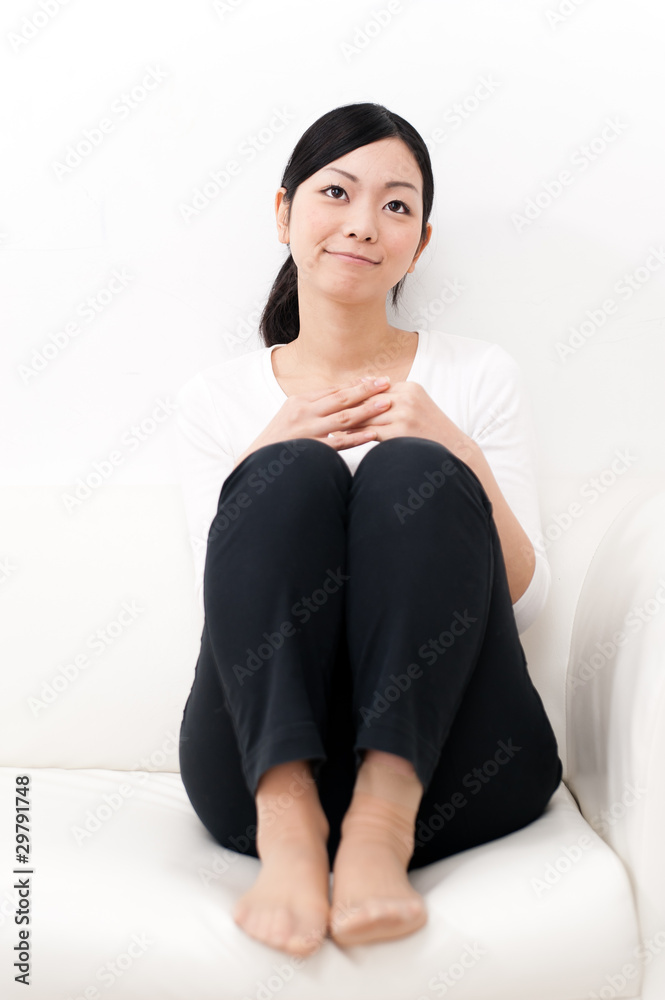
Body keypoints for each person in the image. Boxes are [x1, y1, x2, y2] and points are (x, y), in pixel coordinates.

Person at [174, 102, 563, 959]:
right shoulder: (213, 399)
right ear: (283, 214)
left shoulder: (476, 374)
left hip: (455, 764)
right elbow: (220, 616)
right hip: (256, 765)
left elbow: (525, 604)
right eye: (336, 193)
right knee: (291, 469)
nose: (361, 223)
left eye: (395, 205)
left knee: (411, 470)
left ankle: (382, 822)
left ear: (420, 242)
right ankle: (291, 828)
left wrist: (450, 447)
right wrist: (259, 459)